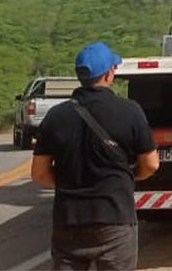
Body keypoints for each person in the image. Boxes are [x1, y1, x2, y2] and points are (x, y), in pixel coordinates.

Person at [31, 41, 160, 271]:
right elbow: (151, 164)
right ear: (109, 73)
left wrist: (69, 185)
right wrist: (128, 179)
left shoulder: (55, 116)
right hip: (114, 219)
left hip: (68, 220)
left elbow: (39, 173)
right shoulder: (129, 111)